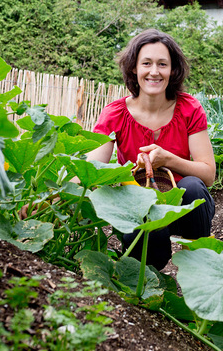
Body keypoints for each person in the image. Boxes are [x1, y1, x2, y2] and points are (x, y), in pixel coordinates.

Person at [87, 29, 216, 271]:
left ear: (172, 70)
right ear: (134, 68)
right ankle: (147, 283)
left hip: (183, 208)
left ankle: (201, 269)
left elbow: (208, 174)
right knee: (147, 249)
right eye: (146, 63)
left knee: (193, 186)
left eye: (162, 64)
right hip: (141, 208)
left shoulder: (189, 108)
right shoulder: (114, 114)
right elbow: (89, 169)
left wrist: (169, 159)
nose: (154, 71)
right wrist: (46, 199)